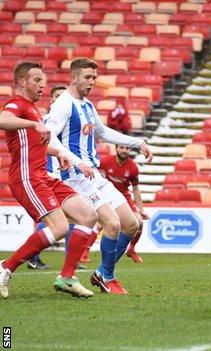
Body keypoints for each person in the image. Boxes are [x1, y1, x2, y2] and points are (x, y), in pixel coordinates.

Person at [44, 58, 153, 295]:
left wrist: (138, 142)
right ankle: (108, 278)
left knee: (132, 224)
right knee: (112, 224)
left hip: (94, 175)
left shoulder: (87, 105)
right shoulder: (64, 104)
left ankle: (102, 273)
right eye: (87, 77)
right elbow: (48, 136)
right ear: (73, 77)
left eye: (94, 77)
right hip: (75, 176)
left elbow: (103, 133)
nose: (92, 81)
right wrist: (75, 160)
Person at [0, 62, 99, 299]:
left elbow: (35, 145)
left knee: (88, 215)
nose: (42, 85)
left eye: (43, 81)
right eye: (36, 80)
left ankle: (66, 277)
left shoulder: (35, 111)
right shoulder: (18, 104)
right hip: (26, 177)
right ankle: (6, 268)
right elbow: (3, 120)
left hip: (44, 176)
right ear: (22, 82)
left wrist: (60, 154)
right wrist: (34, 124)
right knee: (60, 227)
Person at [26, 85, 67, 270]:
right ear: (51, 100)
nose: (61, 99)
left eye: (64, 96)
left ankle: (70, 260)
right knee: (54, 219)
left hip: (61, 173)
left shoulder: (65, 120)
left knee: (67, 217)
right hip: (50, 173)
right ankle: (32, 255)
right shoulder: (48, 121)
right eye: (57, 96)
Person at [98, 144, 150, 263]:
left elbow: (136, 189)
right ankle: (84, 253)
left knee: (139, 222)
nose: (124, 150)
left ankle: (131, 249)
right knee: (98, 223)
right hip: (106, 196)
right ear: (116, 148)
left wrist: (141, 210)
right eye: (121, 147)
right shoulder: (105, 161)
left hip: (124, 198)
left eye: (127, 148)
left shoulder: (133, 167)